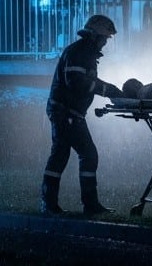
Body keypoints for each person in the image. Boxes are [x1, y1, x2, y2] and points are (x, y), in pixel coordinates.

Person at [40, 14, 123, 216]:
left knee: (60, 156)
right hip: (65, 112)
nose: (105, 43)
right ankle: (88, 204)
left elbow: (85, 80)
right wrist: (106, 89)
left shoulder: (84, 52)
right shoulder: (79, 52)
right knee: (87, 154)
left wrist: (107, 89)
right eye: (104, 38)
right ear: (94, 36)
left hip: (68, 112)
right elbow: (76, 82)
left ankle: (50, 204)